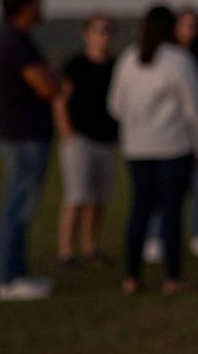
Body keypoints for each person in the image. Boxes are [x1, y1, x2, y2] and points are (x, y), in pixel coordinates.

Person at [108, 4, 198, 295]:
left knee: (139, 211)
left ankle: (131, 277)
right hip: (173, 148)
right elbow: (195, 109)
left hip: (137, 150)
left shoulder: (128, 59)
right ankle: (172, 278)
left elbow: (115, 105)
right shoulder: (178, 60)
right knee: (172, 213)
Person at [0, 0, 60, 302]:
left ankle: (17, 271)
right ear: (23, 6)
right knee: (17, 205)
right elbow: (46, 86)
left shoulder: (18, 40)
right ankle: (8, 278)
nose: (42, 5)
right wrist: (54, 81)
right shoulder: (15, 42)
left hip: (26, 134)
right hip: (23, 135)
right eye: (36, 0)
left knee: (21, 204)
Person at [144, 7, 198, 263]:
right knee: (163, 191)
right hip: (169, 135)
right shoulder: (165, 58)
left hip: (195, 132)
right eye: (185, 25)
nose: (190, 30)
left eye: (194, 26)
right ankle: (155, 238)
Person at [53, 13, 118, 268]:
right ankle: (66, 251)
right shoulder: (75, 66)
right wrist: (67, 133)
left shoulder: (115, 66)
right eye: (99, 30)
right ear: (86, 34)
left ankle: (91, 247)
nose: (104, 36)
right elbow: (60, 100)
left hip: (108, 139)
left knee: (99, 199)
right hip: (80, 139)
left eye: (108, 31)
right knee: (76, 196)